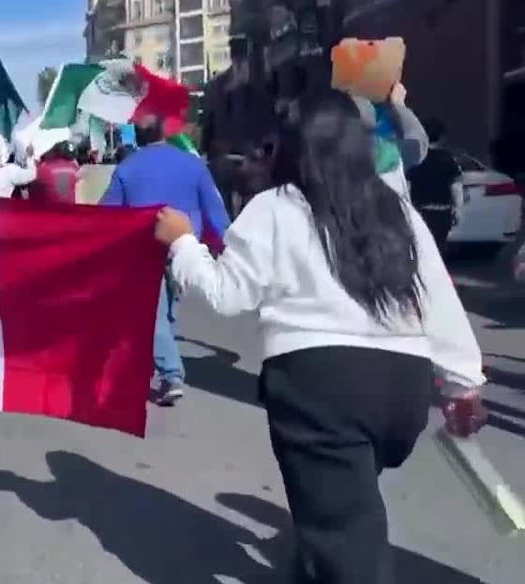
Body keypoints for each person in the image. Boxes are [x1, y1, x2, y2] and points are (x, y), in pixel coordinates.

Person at [153, 90, 486, 584]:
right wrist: (464, 385)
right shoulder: (395, 209)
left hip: (320, 389)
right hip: (402, 391)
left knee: (348, 538)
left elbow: (226, 294)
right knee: (336, 512)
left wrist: (182, 241)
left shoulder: (277, 207)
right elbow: (436, 298)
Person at [101, 114, 231, 406]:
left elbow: (108, 214)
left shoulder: (127, 168)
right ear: (164, 131)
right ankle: (165, 369)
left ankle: (171, 373)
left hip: (143, 249)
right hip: (184, 246)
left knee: (153, 313)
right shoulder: (193, 165)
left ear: (135, 134)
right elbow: (214, 208)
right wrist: (226, 243)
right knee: (168, 310)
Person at [406, 119, 463, 251]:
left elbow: (408, 186)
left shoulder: (416, 158)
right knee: (439, 247)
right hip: (441, 212)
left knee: (421, 248)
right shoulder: (447, 159)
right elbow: (456, 187)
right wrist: (458, 209)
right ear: (442, 138)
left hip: (420, 211)